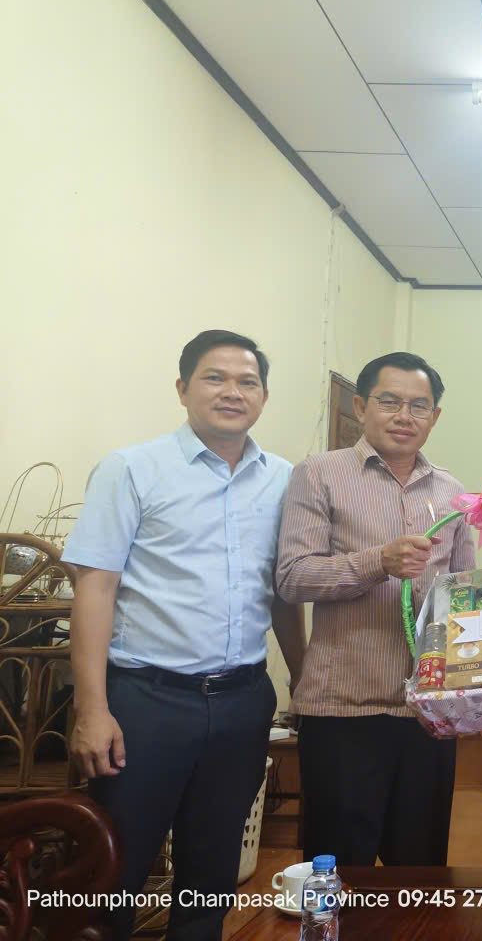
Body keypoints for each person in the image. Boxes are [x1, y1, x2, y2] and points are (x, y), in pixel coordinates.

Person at [64, 329, 304, 941]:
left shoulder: (283, 479)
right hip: (146, 702)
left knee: (213, 869)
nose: (232, 392)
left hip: (243, 700)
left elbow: (282, 591)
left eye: (247, 381)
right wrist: (92, 709)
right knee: (114, 868)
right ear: (182, 388)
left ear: (264, 396)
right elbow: (95, 589)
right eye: (214, 378)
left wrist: (302, 677)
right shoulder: (131, 469)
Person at [276, 352, 473, 866]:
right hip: (345, 707)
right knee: (339, 870)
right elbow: (293, 578)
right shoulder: (318, 475)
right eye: (390, 401)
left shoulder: (453, 492)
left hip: (427, 710)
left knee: (420, 870)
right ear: (361, 407)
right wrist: (377, 562)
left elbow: (462, 599)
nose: (404, 416)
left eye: (419, 406)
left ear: (435, 416)